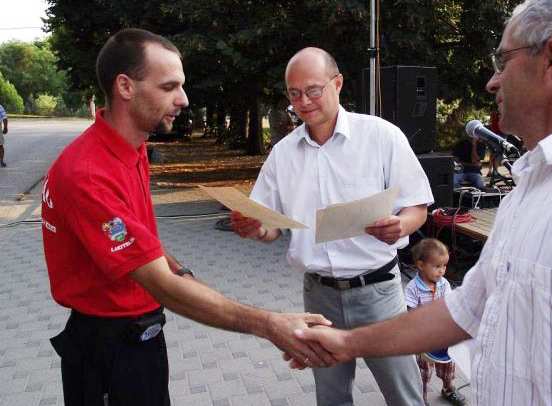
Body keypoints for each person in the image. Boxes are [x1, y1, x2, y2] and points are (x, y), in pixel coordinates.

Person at [295, 1, 552, 405]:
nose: (493, 82)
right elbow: (463, 310)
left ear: (551, 58)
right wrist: (347, 343)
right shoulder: (531, 189)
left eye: (502, 60)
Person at [40, 28, 333, 406]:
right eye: (169, 87)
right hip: (108, 349)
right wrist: (270, 325)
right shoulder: (89, 173)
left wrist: (185, 276)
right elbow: (158, 283)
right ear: (125, 87)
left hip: (138, 337)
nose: (183, 99)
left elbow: (146, 246)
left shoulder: (129, 149)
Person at [231, 47, 433, 405]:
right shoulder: (283, 153)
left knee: (404, 396)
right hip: (319, 297)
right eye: (294, 94)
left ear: (337, 83)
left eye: (312, 90)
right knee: (331, 397)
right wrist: (254, 228)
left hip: (379, 294)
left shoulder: (381, 137)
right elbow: (271, 227)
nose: (303, 102)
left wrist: (400, 226)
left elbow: (417, 206)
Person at [405, 239, 465, 406]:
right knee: (422, 371)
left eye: (444, 266)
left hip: (441, 335)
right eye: (437, 266)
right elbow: (410, 312)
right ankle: (420, 397)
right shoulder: (413, 288)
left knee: (448, 364)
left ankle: (448, 387)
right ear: (421, 265)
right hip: (423, 339)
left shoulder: (444, 284)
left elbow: (449, 305)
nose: (441, 271)